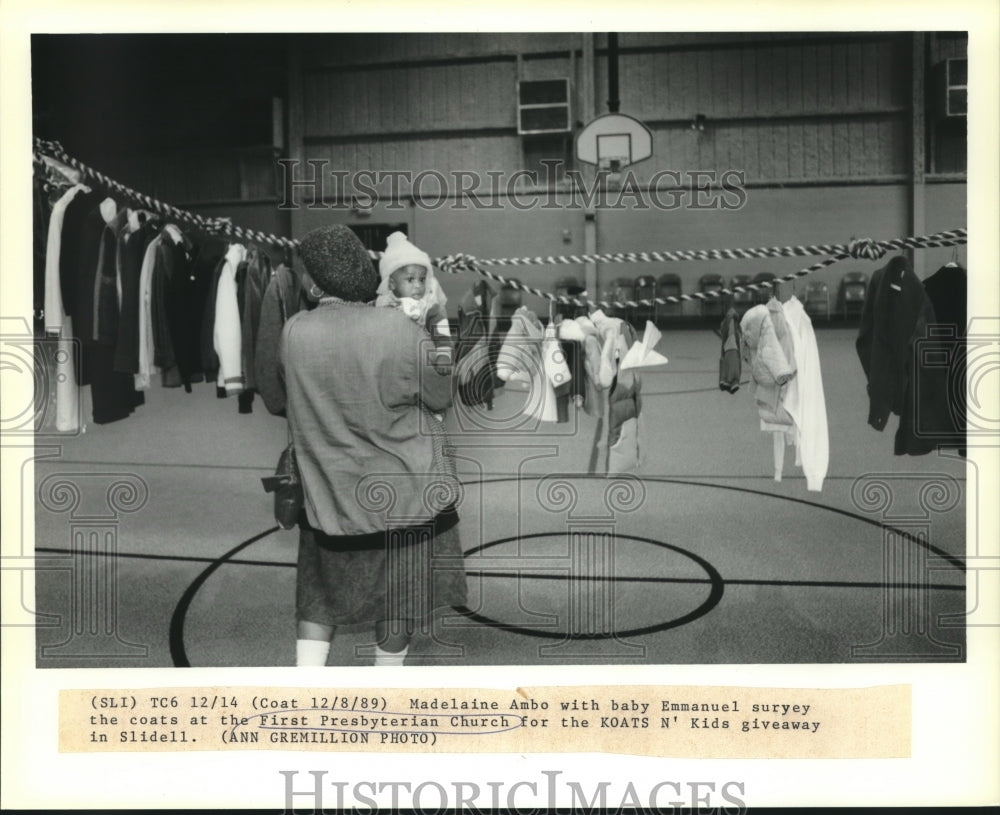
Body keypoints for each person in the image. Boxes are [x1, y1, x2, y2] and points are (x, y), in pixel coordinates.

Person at [261, 224, 467, 666]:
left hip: (328, 495)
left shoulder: (295, 331)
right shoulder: (398, 328)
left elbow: (279, 399)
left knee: (318, 593)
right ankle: (383, 687)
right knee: (398, 598)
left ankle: (306, 686)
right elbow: (439, 395)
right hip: (404, 493)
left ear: (315, 285)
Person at [375, 231, 453, 374]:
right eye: (410, 279)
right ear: (392, 284)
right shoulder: (383, 305)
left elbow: (442, 333)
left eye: (422, 279)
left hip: (423, 361)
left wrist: (444, 355)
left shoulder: (429, 306)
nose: (417, 285)